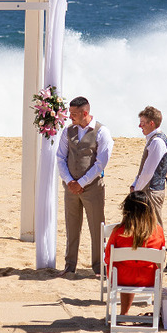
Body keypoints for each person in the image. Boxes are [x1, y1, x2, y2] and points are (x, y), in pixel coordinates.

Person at [56, 96, 113, 277]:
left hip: (93, 188)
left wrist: (81, 183)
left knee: (97, 227)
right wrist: (69, 181)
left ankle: (98, 267)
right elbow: (60, 157)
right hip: (70, 188)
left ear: (85, 113)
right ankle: (70, 265)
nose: (70, 117)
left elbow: (100, 163)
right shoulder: (68, 131)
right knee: (72, 227)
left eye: (73, 114)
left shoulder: (102, 132)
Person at [103, 191, 166, 316]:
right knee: (132, 269)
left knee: (124, 268)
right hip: (149, 278)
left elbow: (108, 257)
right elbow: (161, 257)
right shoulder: (157, 231)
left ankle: (124, 313)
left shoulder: (119, 232)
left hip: (122, 278)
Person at [130, 105, 167, 227]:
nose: (140, 126)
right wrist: (134, 184)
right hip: (147, 190)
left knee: (154, 226)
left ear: (151, 123)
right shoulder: (152, 139)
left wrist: (136, 190)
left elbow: (148, 172)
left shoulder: (157, 142)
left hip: (151, 191)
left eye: (142, 123)